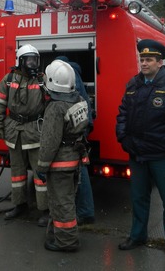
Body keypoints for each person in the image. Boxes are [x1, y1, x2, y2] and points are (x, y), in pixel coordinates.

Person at [115, 39, 165, 264]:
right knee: (138, 198)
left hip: (163, 156)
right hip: (138, 154)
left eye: (149, 59)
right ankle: (137, 236)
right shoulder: (133, 85)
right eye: (142, 59)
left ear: (160, 63)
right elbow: (122, 113)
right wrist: (123, 138)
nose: (144, 63)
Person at [0, 44, 49, 227]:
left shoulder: (42, 80)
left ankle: (45, 209)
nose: (32, 64)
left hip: (35, 132)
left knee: (40, 174)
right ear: (21, 61)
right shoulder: (8, 80)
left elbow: (51, 107)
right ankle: (19, 204)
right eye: (28, 60)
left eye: (35, 60)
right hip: (14, 131)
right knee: (17, 173)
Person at [36, 59, 90, 252]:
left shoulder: (56, 108)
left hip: (60, 164)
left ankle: (66, 242)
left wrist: (41, 167)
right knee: (64, 201)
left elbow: (49, 142)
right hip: (74, 160)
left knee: (62, 203)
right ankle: (56, 235)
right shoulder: (80, 100)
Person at [55, 56, 95, 226]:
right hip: (81, 126)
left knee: (79, 170)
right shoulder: (74, 73)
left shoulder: (68, 75)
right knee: (79, 168)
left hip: (74, 129)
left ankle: (85, 211)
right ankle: (84, 210)